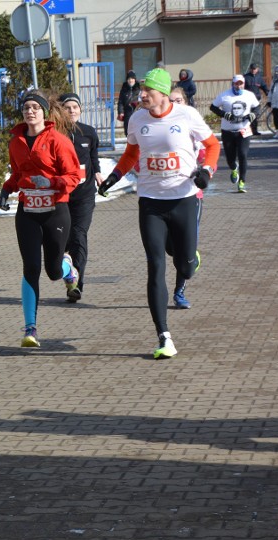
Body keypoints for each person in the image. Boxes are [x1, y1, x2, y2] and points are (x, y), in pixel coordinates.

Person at [98, 68, 220, 359]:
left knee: (185, 265)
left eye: (148, 91)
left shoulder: (186, 116)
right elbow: (131, 153)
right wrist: (115, 176)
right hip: (151, 201)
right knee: (155, 266)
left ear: (163, 94)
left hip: (183, 200)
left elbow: (212, 145)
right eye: (141, 90)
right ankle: (164, 336)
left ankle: (190, 260)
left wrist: (207, 171)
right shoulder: (138, 118)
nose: (142, 95)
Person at [0, 90, 82, 348]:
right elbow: (18, 173)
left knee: (53, 272)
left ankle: (68, 270)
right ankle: (30, 329)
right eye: (26, 107)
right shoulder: (16, 142)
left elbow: (74, 176)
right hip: (28, 212)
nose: (30, 111)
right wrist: (7, 189)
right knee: (31, 268)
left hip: (56, 210)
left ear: (44, 112)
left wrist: (52, 182)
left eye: (35, 107)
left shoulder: (58, 140)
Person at [57, 92, 102, 304]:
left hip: (84, 195)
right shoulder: (55, 134)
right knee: (62, 241)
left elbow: (93, 157)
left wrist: (99, 173)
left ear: (81, 110)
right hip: (62, 196)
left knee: (79, 235)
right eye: (67, 107)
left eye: (75, 107)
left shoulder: (89, 133)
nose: (72, 111)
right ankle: (69, 275)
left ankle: (77, 286)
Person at [167, 87, 205, 310]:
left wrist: (204, 172)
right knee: (171, 249)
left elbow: (209, 155)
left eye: (179, 100)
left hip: (191, 196)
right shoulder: (160, 128)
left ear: (186, 102)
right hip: (162, 197)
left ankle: (179, 292)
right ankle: (189, 255)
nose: (175, 104)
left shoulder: (194, 127)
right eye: (171, 101)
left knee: (182, 249)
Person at [210, 74, 260, 193]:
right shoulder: (225, 95)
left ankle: (242, 182)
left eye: (241, 83)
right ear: (233, 84)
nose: (239, 86)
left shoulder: (249, 95)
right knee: (230, 158)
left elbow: (257, 108)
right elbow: (213, 107)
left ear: (244, 84)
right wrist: (224, 114)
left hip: (244, 130)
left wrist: (254, 114)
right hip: (228, 131)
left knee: (243, 154)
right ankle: (233, 168)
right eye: (237, 83)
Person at [244, 63, 269, 134]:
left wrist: (269, 95)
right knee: (247, 115)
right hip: (247, 100)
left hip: (256, 100)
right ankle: (246, 130)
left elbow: (264, 87)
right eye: (252, 69)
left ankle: (254, 131)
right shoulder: (246, 77)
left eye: (254, 69)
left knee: (254, 116)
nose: (253, 70)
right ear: (250, 69)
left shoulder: (259, 78)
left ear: (257, 69)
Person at [117, 70, 142, 135]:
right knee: (128, 130)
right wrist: (121, 112)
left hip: (137, 112)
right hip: (127, 113)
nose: (130, 80)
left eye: (132, 79)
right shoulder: (124, 89)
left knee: (137, 130)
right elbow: (120, 102)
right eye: (129, 79)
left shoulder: (139, 88)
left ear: (135, 79)